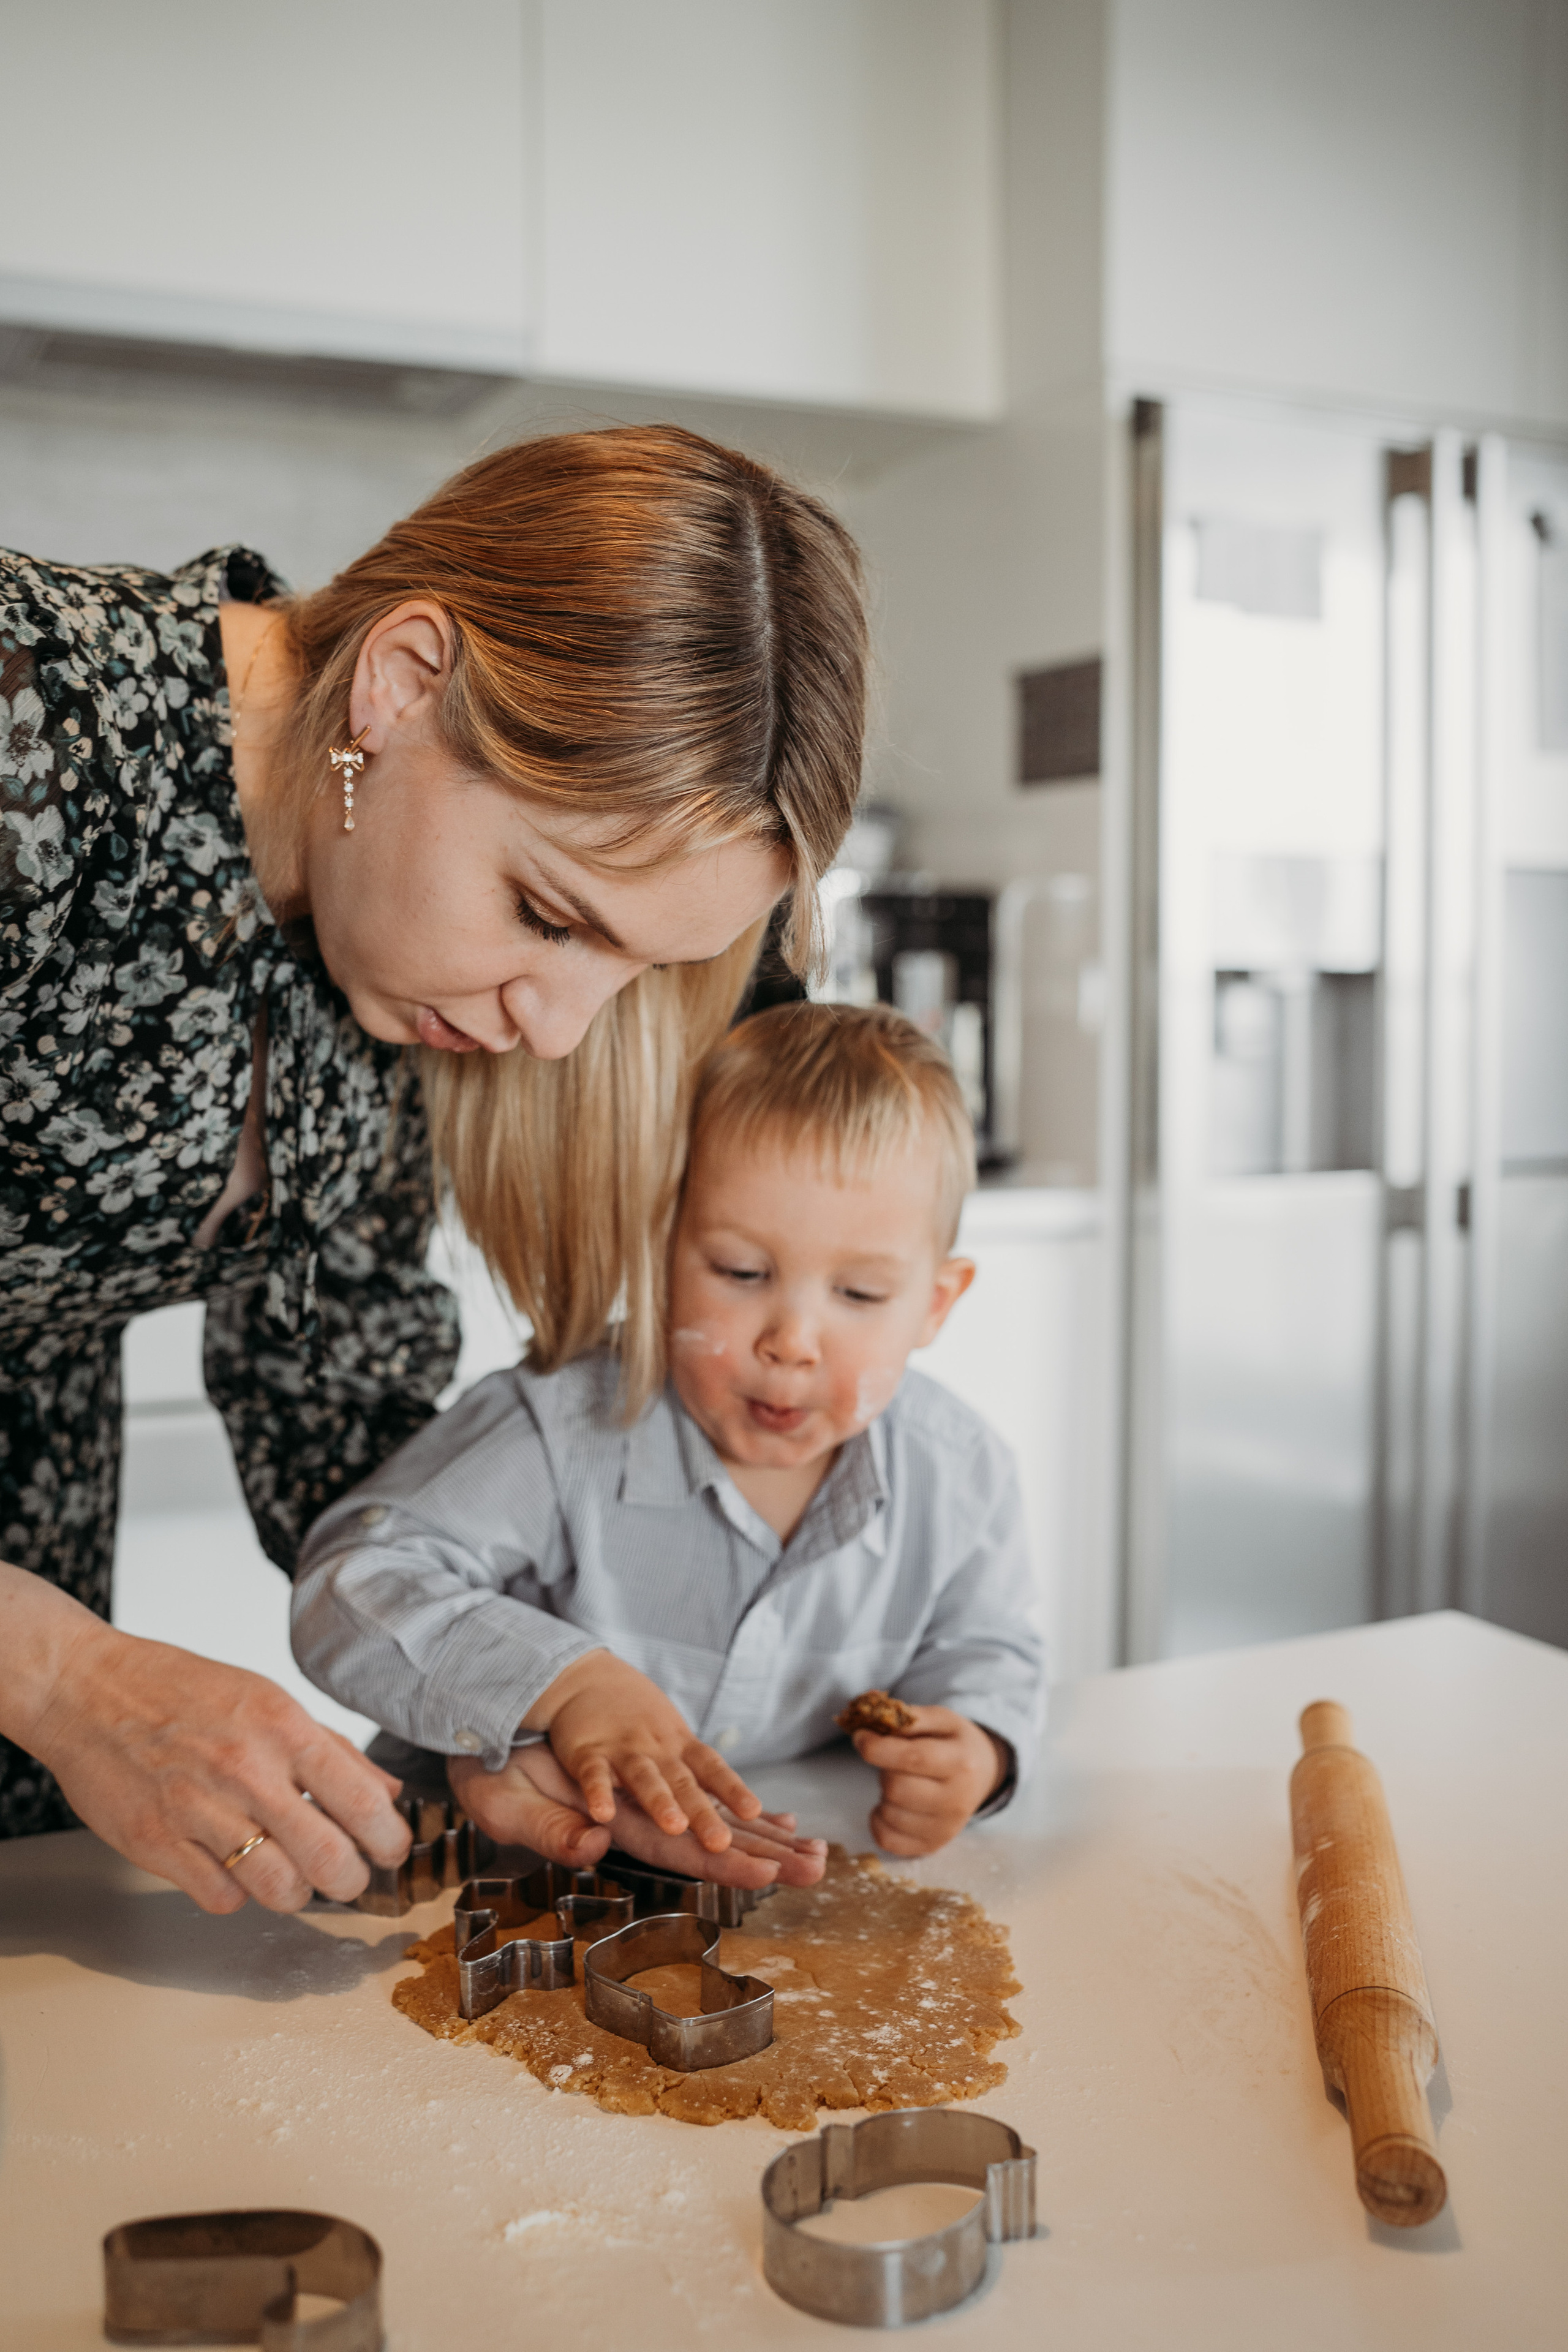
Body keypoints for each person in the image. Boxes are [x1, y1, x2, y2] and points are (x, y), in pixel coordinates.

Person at [0, 427, 867, 1914]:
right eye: (548, 915)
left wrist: (503, 1700)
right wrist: (64, 1676)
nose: (555, 1033)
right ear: (400, 685)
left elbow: (329, 1398)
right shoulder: (29, 721)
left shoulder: (391, 959)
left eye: (631, 970)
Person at [290, 1003, 1045, 1877]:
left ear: (935, 1305)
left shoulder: (959, 1471)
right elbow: (349, 1585)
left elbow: (986, 1649)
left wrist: (979, 1751)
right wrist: (563, 1685)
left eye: (861, 1295)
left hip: (773, 1882)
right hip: (484, 1873)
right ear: (659, 1256)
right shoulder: (558, 1428)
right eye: (742, 1273)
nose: (792, 1341)